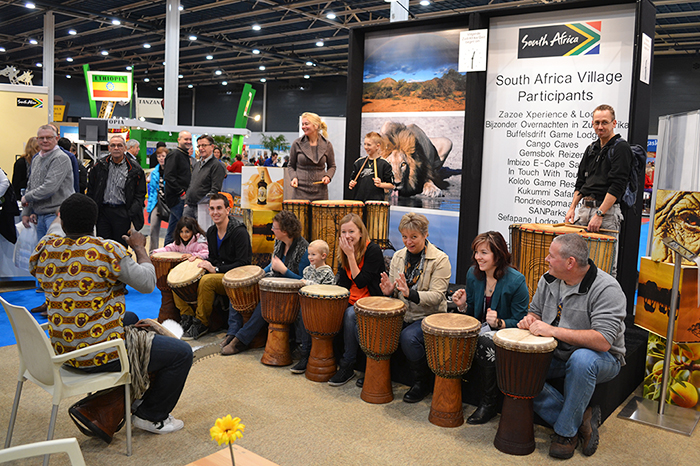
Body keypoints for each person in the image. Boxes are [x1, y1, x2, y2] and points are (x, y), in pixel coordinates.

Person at [29, 193, 193, 434]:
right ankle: (151, 415)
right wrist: (139, 248)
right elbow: (148, 284)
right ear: (94, 223)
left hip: (62, 347)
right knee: (181, 353)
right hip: (95, 355)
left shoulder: (46, 248)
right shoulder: (107, 251)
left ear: (62, 222)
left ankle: (128, 395)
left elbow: (39, 272)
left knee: (132, 318)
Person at [517, 234, 625, 459]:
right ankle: (581, 419)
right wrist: (530, 320)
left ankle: (565, 433)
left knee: (582, 359)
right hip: (557, 352)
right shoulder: (548, 279)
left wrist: (553, 330)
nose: (546, 259)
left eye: (552, 256)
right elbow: (534, 311)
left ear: (570, 263)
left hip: (603, 359)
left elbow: (604, 341)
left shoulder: (607, 289)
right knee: (518, 371)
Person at [452, 231, 529, 424]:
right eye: (477, 252)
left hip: (505, 334)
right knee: (451, 328)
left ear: (499, 254)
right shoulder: (473, 274)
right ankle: (450, 392)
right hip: (481, 328)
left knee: (485, 341)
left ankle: (489, 403)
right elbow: (472, 317)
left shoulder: (516, 281)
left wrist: (500, 323)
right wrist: (462, 306)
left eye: (484, 252)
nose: (478, 257)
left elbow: (521, 321)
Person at [378, 212, 451, 402]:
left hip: (429, 316)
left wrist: (411, 294)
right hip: (404, 313)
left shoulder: (441, 259)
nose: (408, 241)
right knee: (376, 325)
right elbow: (395, 291)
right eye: (404, 236)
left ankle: (422, 382)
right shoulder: (398, 257)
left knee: (409, 337)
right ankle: (378, 373)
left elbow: (437, 297)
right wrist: (388, 291)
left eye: (414, 237)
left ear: (425, 235)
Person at [222, 210, 309, 356]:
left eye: (274, 228)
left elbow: (303, 281)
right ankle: (232, 332)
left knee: (266, 302)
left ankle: (241, 341)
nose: (271, 230)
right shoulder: (279, 242)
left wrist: (284, 270)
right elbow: (271, 266)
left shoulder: (304, 249)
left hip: (291, 293)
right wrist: (255, 275)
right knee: (239, 287)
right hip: (274, 284)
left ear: (285, 231)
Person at [564, 104, 632, 277]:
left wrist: (600, 214)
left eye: (604, 122)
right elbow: (580, 182)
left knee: (605, 265)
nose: (600, 127)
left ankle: (604, 303)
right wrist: (572, 208)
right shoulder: (591, 148)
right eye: (597, 123)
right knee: (576, 261)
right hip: (584, 210)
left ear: (614, 123)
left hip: (606, 213)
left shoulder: (621, 148)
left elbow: (617, 185)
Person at [180, 193, 252, 340]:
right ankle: (186, 316)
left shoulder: (239, 232)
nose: (215, 212)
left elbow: (244, 264)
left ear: (228, 210)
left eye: (219, 208)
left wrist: (216, 269)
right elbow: (213, 257)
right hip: (220, 272)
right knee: (182, 276)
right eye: (212, 208)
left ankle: (201, 323)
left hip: (236, 277)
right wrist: (202, 259)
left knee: (207, 282)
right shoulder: (212, 232)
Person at [328, 214, 386, 386]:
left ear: (361, 233)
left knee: (350, 315)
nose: (347, 236)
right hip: (352, 299)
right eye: (344, 232)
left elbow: (361, 282)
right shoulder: (344, 252)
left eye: (351, 231)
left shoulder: (372, 250)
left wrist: (351, 256)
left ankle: (348, 365)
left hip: (371, 300)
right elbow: (344, 284)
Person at [86, 135, 146, 247]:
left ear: (125, 148)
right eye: (113, 145)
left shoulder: (135, 169)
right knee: (102, 247)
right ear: (109, 148)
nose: (116, 148)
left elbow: (140, 194)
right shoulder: (99, 165)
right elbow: (91, 189)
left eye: (119, 145)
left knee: (120, 248)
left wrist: (130, 213)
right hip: (103, 213)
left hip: (123, 213)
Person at [21, 125, 74, 239]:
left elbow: (50, 187)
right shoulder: (36, 159)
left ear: (57, 138)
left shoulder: (60, 158)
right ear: (37, 140)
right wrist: (26, 212)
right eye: (41, 138)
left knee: (55, 253)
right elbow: (31, 185)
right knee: (42, 254)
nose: (45, 141)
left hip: (56, 215)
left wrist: (27, 197)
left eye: (49, 137)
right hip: (39, 216)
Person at [288, 112, 337, 201]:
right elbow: (291, 165)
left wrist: (328, 176)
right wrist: (293, 177)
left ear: (316, 126)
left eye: (306, 124)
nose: (303, 127)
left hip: (320, 191)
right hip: (300, 191)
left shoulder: (327, 145)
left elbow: (332, 166)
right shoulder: (297, 143)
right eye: (302, 124)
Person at [183, 135, 226, 220]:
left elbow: (215, 190)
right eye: (199, 146)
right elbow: (192, 183)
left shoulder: (217, 165)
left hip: (203, 208)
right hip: (189, 206)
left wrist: (207, 205)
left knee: (203, 232)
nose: (201, 148)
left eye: (204, 145)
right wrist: (187, 201)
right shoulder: (197, 164)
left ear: (212, 147)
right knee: (186, 231)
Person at [163, 131, 193, 245]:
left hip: (179, 198)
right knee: (183, 228)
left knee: (173, 228)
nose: (188, 142)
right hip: (177, 198)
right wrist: (181, 192)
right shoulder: (175, 155)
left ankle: (165, 254)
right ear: (178, 140)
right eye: (186, 139)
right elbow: (169, 176)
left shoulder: (184, 155)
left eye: (190, 139)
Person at [348, 132, 394, 201]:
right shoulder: (359, 162)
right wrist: (351, 184)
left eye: (369, 145)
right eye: (365, 144)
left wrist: (380, 184)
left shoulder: (384, 164)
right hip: (359, 202)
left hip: (375, 203)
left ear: (377, 146)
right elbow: (352, 181)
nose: (366, 147)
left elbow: (392, 186)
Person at [147, 146, 170, 253]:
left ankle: (169, 252)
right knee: (153, 229)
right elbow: (151, 191)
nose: (161, 158)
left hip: (170, 203)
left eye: (163, 156)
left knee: (172, 230)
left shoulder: (172, 170)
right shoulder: (154, 172)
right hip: (157, 202)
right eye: (159, 156)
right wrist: (150, 207)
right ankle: (152, 253)